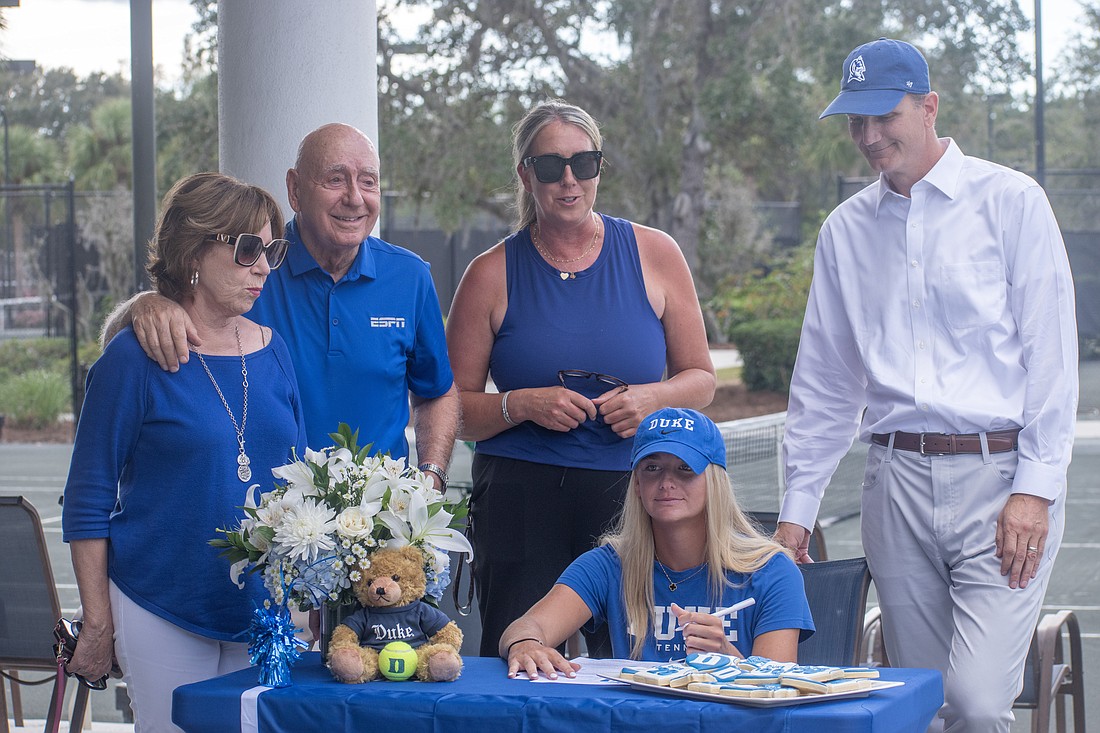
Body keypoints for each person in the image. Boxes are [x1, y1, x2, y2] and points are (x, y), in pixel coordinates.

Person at [777, 38, 1078, 732]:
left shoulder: (1012, 203)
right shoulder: (844, 231)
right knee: (919, 700)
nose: (871, 135)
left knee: (974, 701)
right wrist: (796, 511)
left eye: (885, 115)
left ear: (929, 105)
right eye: (856, 122)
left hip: (1000, 481)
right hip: (895, 484)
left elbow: (1054, 364)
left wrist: (1034, 490)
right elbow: (824, 385)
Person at [445, 99, 716, 657]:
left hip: (631, 494)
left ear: (599, 167)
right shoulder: (489, 273)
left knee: (638, 659)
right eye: (550, 166)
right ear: (526, 174)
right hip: (520, 496)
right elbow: (448, 409)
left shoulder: (655, 253)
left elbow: (702, 380)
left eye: (583, 164)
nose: (568, 180)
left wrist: (654, 400)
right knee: (519, 658)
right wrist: (520, 404)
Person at [63, 173, 308, 732]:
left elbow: (300, 482)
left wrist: (303, 600)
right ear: (193, 250)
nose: (264, 267)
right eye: (247, 249)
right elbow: (88, 494)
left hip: (262, 611)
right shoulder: (133, 358)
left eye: (271, 250)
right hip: (161, 603)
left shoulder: (274, 351)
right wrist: (97, 623)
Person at [103, 123, 459, 490]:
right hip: (262, 525)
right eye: (335, 180)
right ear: (294, 189)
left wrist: (431, 477)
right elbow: (135, 343)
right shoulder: (249, 266)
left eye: (368, 181)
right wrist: (143, 304)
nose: (355, 197)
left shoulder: (410, 276)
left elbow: (437, 392)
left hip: (377, 528)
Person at [500, 408, 813, 678]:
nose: (666, 482)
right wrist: (527, 645)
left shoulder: (772, 570)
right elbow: (524, 627)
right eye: (652, 468)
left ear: (714, 482)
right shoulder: (609, 564)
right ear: (637, 484)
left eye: (685, 468)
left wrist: (729, 659)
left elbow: (779, 691)